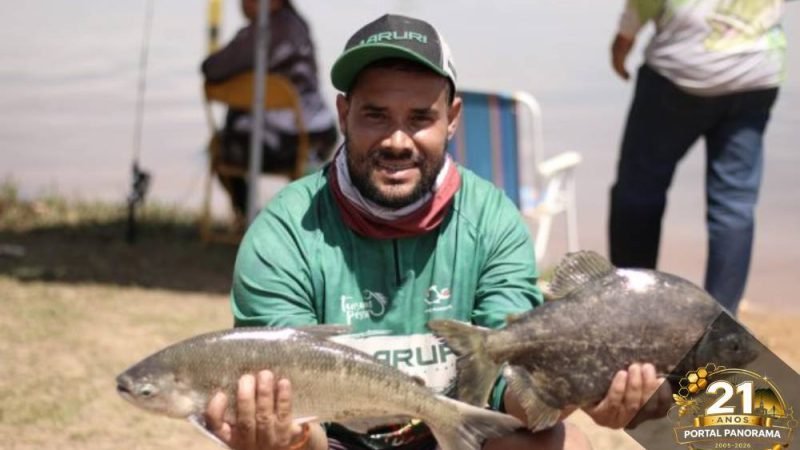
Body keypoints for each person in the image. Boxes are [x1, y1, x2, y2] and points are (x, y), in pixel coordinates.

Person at [205, 14, 661, 450]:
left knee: (565, 443)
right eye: (376, 115)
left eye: (420, 117)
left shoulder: (492, 220)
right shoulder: (284, 231)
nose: (397, 141)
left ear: (453, 117)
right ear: (344, 114)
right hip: (331, 439)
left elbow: (507, 390)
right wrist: (284, 438)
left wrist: (566, 390)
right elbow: (297, 410)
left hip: (455, 434)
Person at [608, 0, 790, 314]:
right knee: (734, 206)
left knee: (638, 194)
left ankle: (632, 310)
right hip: (755, 75)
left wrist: (623, 42)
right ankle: (722, 326)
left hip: (679, 74)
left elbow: (642, 6)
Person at [201, 0, 338, 226]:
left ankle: (248, 216)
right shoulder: (296, 25)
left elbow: (213, 69)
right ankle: (275, 221)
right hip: (318, 132)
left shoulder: (263, 33)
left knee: (219, 147)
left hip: (287, 141)